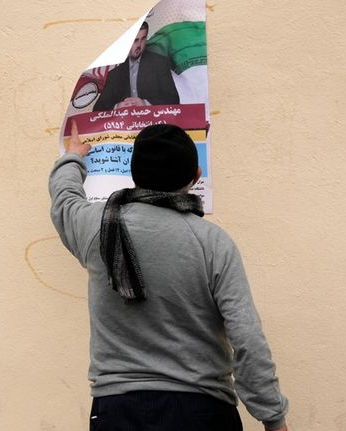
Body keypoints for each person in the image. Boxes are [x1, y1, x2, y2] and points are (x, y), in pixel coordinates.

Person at [49, 122, 289, 431]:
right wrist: (272, 418)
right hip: (202, 412)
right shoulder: (213, 243)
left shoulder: (95, 227)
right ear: (195, 177)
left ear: (134, 175)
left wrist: (73, 157)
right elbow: (246, 336)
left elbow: (64, 199)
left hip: (117, 411)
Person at [92, 21, 180, 111]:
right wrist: (117, 107)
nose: (139, 45)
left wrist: (145, 103)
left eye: (143, 39)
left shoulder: (160, 63)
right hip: (124, 123)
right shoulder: (114, 74)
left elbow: (173, 100)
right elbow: (98, 108)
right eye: (135, 40)